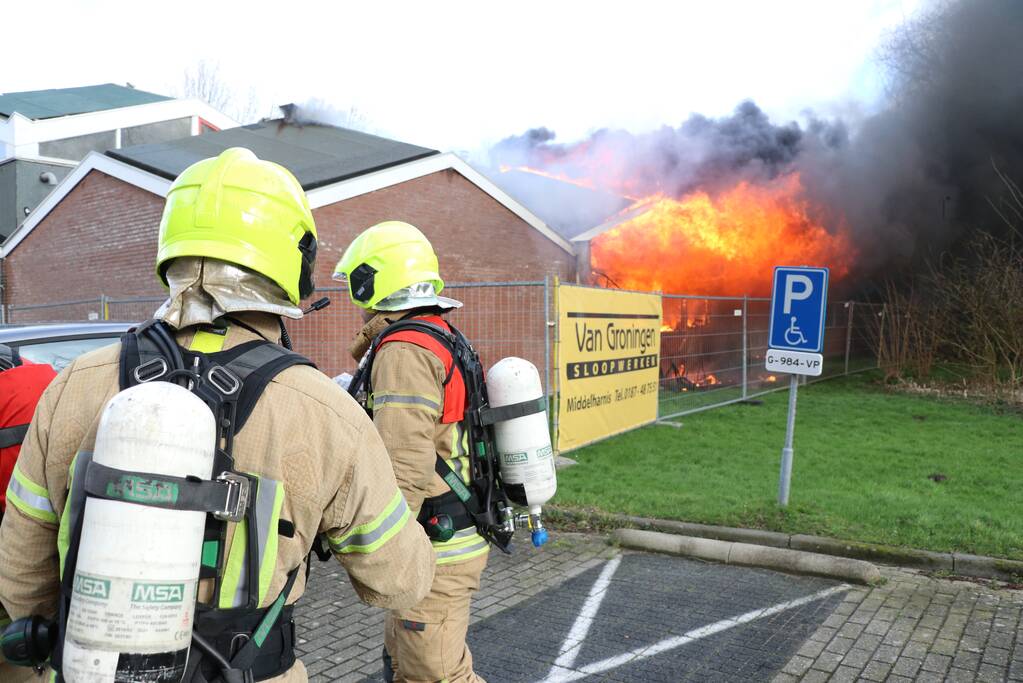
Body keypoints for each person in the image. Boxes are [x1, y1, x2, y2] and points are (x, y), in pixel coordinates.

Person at [0, 148, 434, 682]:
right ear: (295, 263)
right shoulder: (326, 412)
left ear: (171, 248)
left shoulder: (75, 383)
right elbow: (400, 580)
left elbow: (22, 566)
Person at [335, 221, 490, 683]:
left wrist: (385, 551)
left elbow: (403, 461)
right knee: (406, 666)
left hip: (435, 546)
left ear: (372, 282)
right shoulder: (438, 333)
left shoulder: (405, 348)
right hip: (445, 533)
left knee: (434, 675)